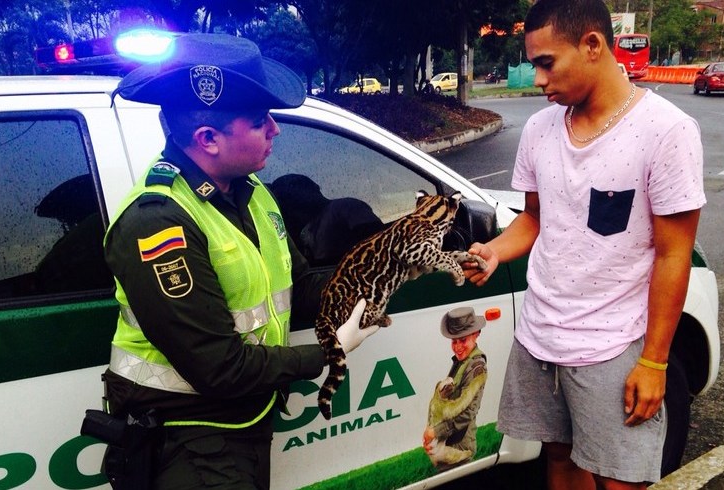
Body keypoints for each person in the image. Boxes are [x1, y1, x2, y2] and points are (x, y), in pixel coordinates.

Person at [100, 33, 377, 490]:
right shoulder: (158, 224)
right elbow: (220, 367)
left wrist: (380, 272)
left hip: (243, 423)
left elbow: (298, 285)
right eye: (259, 121)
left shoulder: (249, 192)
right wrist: (331, 351)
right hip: (189, 441)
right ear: (208, 138)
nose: (276, 129)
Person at [462, 1, 705, 489]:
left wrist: (655, 361)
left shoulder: (667, 131)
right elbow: (533, 219)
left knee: (621, 479)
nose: (538, 79)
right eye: (534, 64)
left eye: (546, 62)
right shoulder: (538, 129)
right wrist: (495, 250)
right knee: (559, 459)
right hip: (541, 335)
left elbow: (674, 254)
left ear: (593, 45)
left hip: (613, 345)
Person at [422, 307, 488, 471]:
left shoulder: (476, 367)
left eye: (463, 340)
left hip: (460, 447)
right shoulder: (461, 362)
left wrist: (436, 432)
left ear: (476, 333)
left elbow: (469, 412)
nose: (457, 347)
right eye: (454, 341)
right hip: (448, 442)